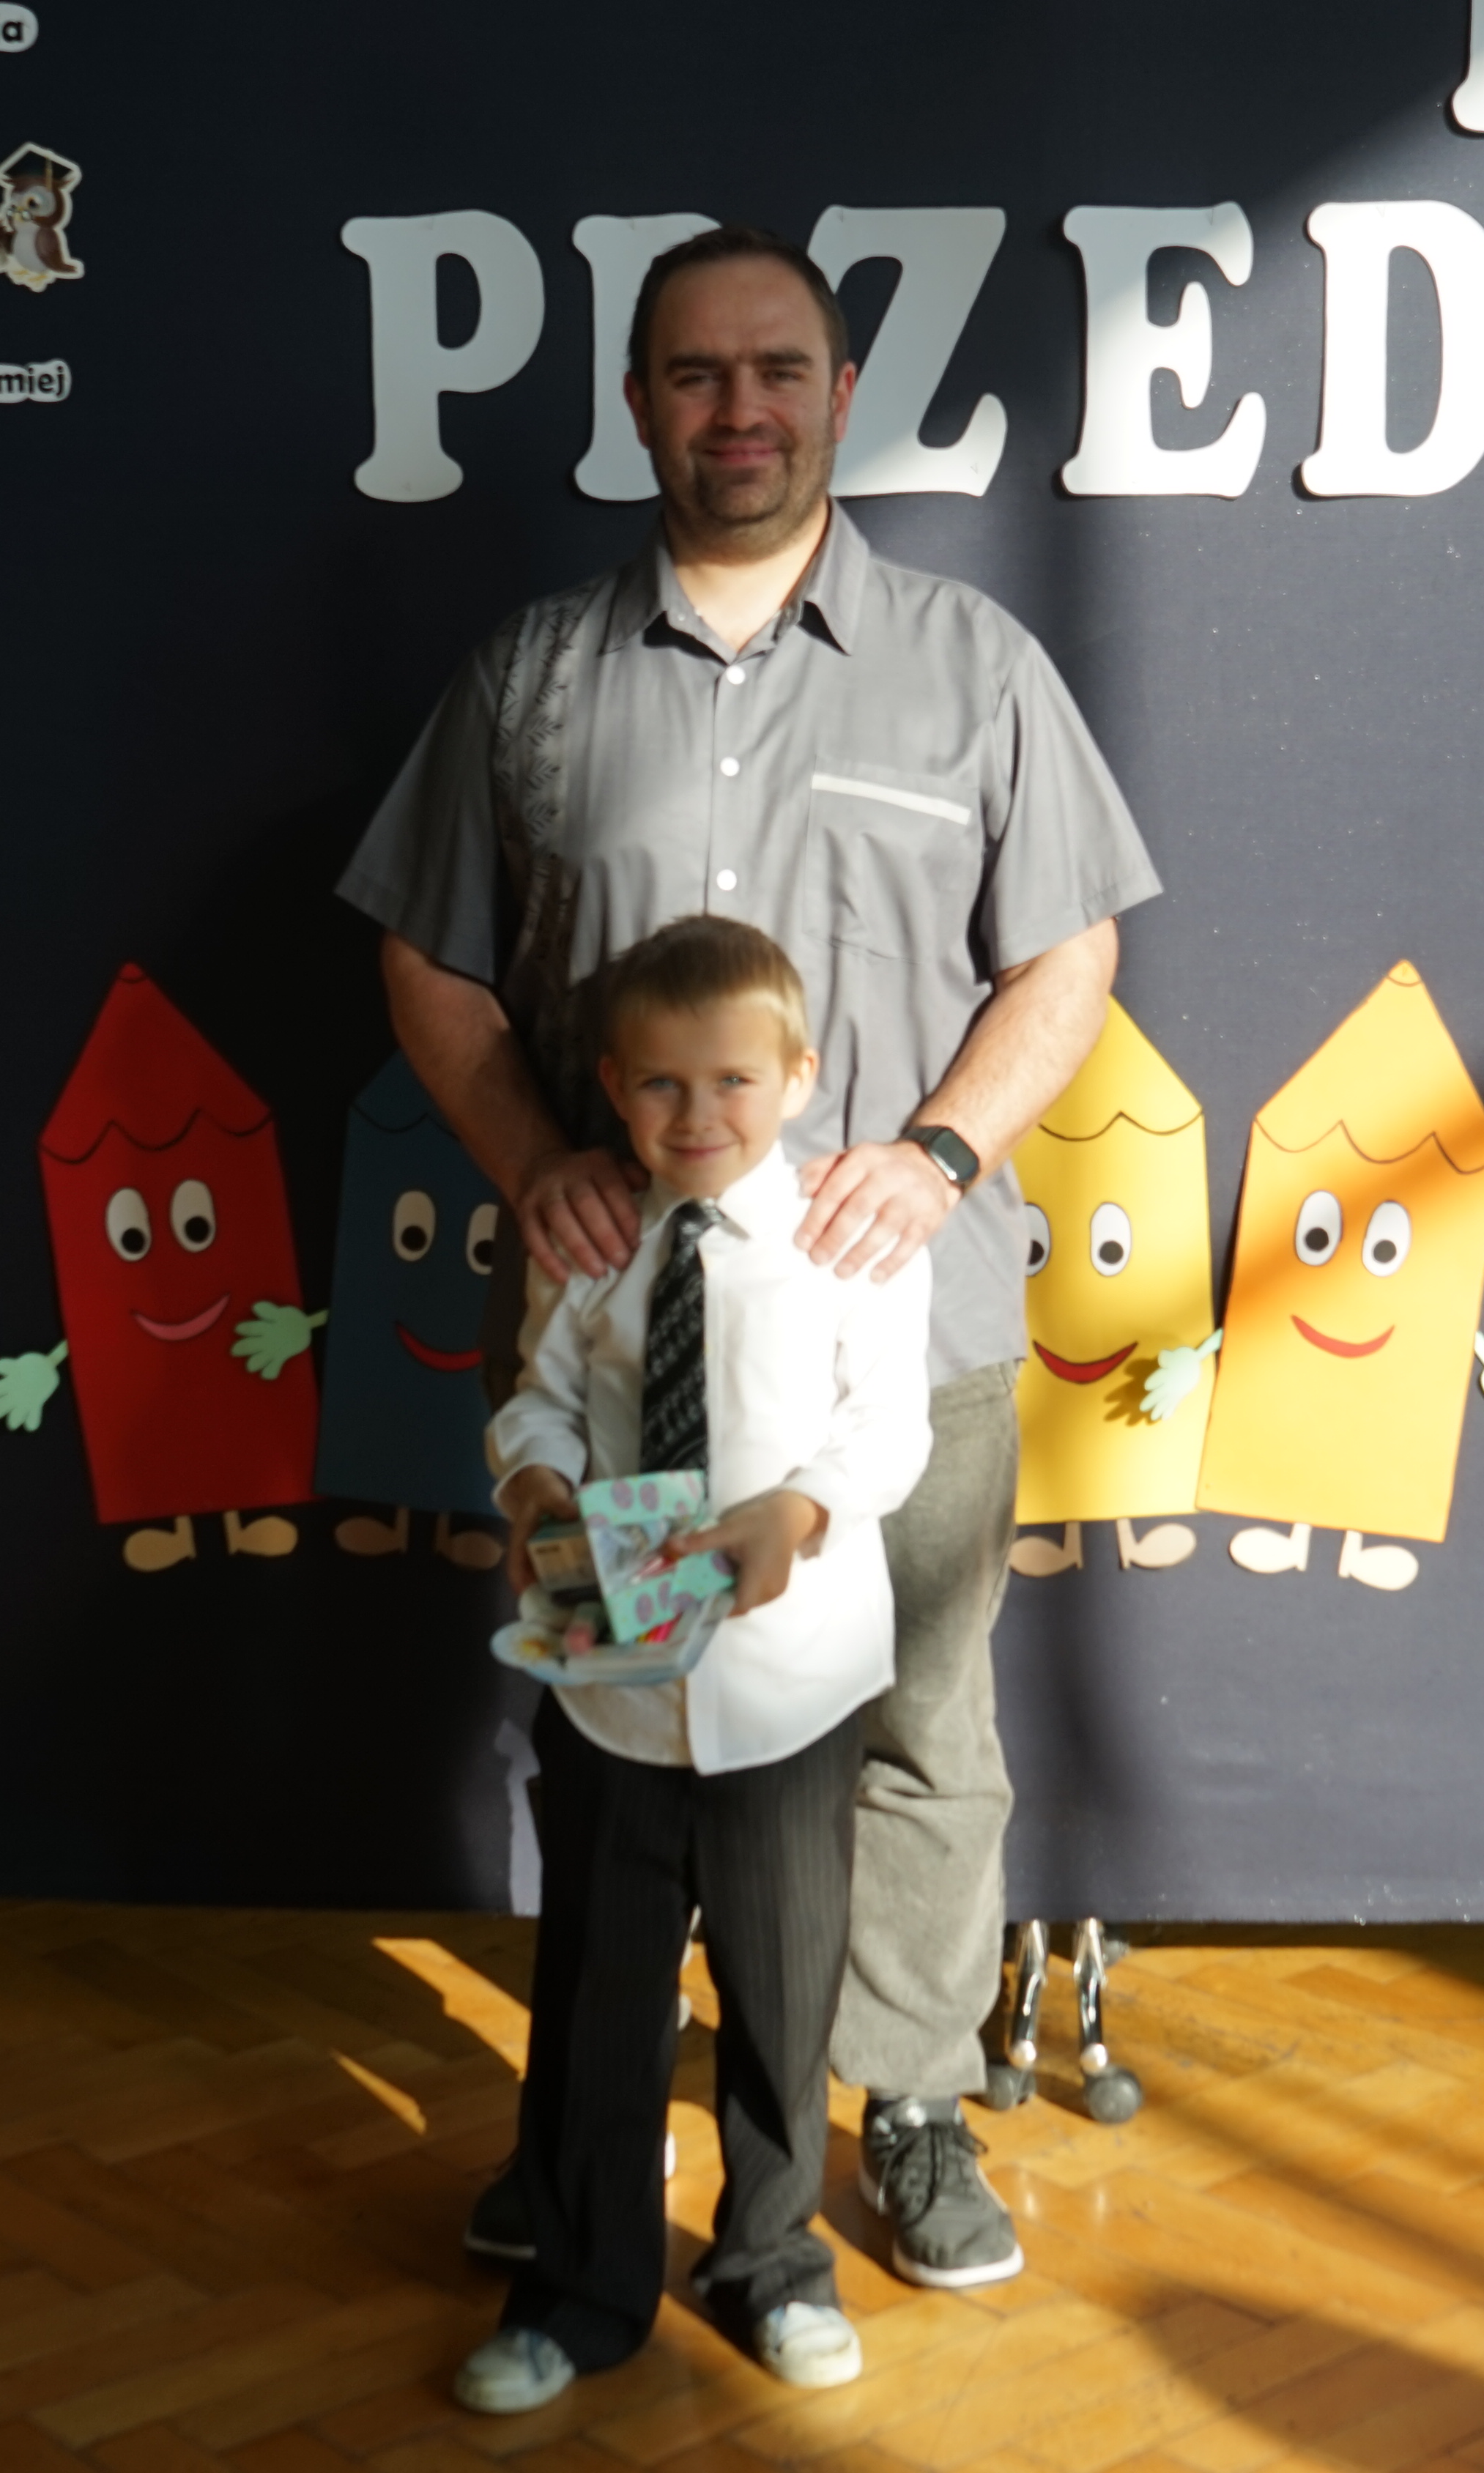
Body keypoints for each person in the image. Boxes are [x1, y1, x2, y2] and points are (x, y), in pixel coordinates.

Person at [344, 221, 1159, 2292]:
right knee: (614, 1726)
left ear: (839, 393)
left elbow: (1072, 953)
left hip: (894, 1331)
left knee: (913, 1724)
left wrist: (946, 1151)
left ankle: (909, 2100)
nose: (740, 410)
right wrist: (533, 1157)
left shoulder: (976, 664)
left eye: (778, 369)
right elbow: (428, 960)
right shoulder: (532, 676)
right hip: (617, 1339)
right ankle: (596, 2123)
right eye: (697, 373)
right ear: (637, 404)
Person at [456, 916, 935, 2413]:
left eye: (733, 1079)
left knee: (780, 1997)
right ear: (612, 1085)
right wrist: (537, 1488)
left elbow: (887, 1432)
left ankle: (772, 2260)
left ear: (797, 1077)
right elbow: (538, 1398)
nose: (698, 1113)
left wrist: (796, 1514)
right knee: (599, 1994)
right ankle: (581, 2287)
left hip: (789, 1692)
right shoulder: (596, 1242)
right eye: (661, 1083)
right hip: (614, 1684)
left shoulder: (847, 1245)